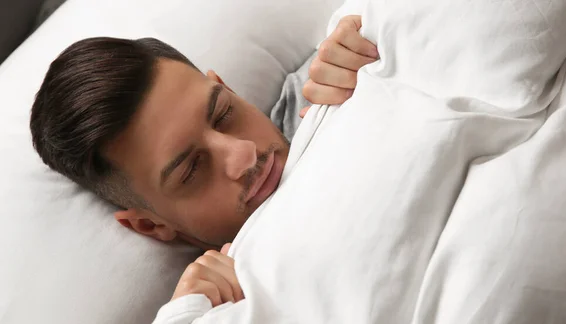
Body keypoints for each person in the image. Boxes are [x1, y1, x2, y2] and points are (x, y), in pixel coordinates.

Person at [30, 16, 378, 308]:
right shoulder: (213, 316)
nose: (243, 154)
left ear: (226, 88)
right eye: (192, 169)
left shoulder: (330, 78)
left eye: (224, 113)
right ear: (151, 226)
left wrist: (379, 49)